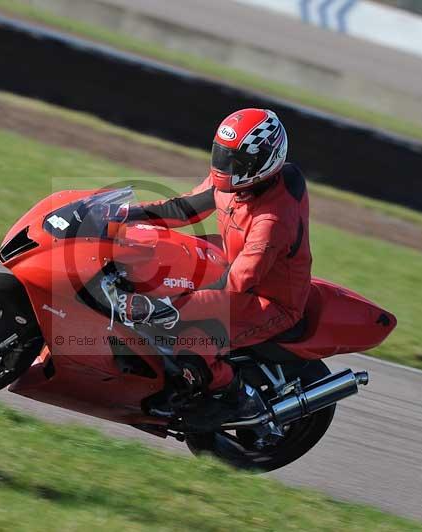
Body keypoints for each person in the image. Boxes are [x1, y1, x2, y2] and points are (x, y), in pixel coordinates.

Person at [114, 108, 312, 427]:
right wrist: (123, 214)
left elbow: (238, 282)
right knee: (150, 263)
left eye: (235, 160)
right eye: (223, 155)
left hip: (267, 300)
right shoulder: (239, 179)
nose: (224, 168)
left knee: (187, 334)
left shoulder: (274, 220)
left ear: (264, 162)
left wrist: (170, 307)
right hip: (232, 264)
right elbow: (182, 208)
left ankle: (239, 398)